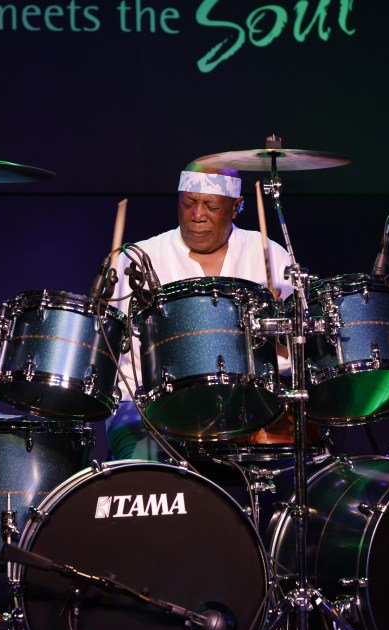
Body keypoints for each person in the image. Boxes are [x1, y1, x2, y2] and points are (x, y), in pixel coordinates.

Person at [105, 162, 294, 460]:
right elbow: (106, 347)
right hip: (146, 408)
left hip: (248, 404)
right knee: (145, 470)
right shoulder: (137, 259)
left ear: (236, 207)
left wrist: (273, 330)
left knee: (295, 457)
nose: (197, 215)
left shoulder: (268, 255)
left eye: (211, 206)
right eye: (189, 203)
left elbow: (293, 357)